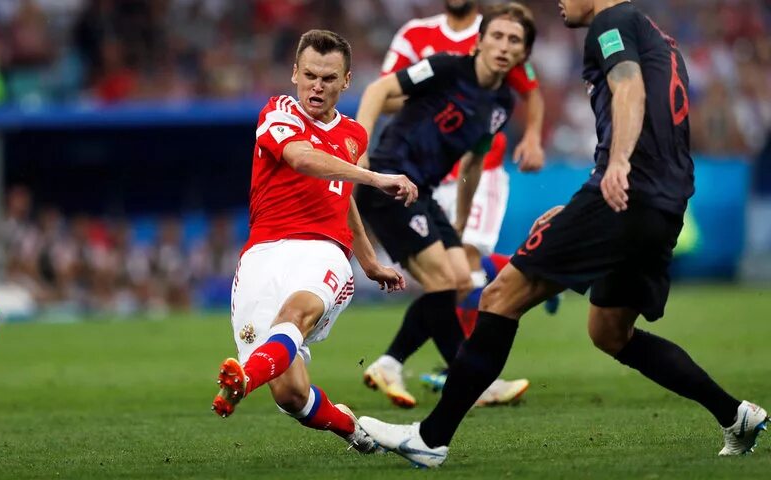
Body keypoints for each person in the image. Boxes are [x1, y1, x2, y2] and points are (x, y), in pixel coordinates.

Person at [358, 0, 768, 468]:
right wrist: (584, 197)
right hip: (664, 206)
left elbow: (628, 90)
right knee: (611, 332)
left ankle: (430, 438)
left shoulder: (611, 24)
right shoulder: (660, 39)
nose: (559, 2)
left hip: (625, 195)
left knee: (499, 297)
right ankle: (735, 415)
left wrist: (614, 169)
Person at [210, 29, 418, 453]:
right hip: (262, 255)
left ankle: (243, 380)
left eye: (328, 78)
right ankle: (352, 428)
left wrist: (367, 259)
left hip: (323, 251)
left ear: (346, 81)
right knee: (290, 395)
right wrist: (375, 177)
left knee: (296, 311)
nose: (316, 86)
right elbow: (303, 159)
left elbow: (341, 197)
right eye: (309, 75)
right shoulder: (278, 112)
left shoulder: (354, 133)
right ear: (294, 74)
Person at [355, 3, 534, 409]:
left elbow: (474, 159)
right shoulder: (447, 67)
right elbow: (377, 90)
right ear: (481, 40)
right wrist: (360, 152)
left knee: (459, 278)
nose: (504, 47)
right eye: (498, 36)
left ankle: (393, 362)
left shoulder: (502, 104)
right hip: (390, 178)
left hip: (425, 192)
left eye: (514, 41)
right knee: (441, 279)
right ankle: (470, 380)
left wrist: (459, 220)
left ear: (523, 54)